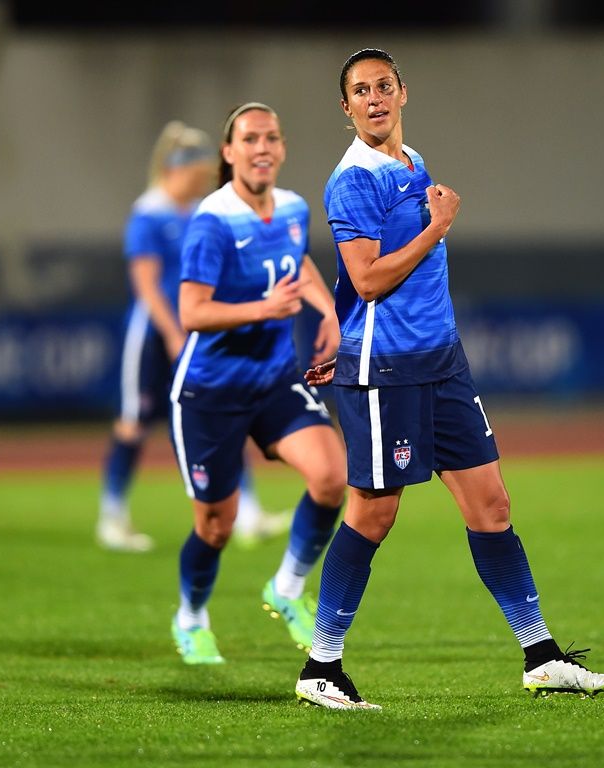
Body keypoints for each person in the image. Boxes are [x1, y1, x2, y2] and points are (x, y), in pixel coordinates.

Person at [293, 49, 604, 709]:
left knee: (491, 505)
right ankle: (320, 667)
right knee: (374, 513)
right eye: (360, 91)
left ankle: (541, 657)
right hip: (385, 370)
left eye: (383, 85)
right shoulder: (352, 179)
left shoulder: (412, 162)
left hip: (441, 362)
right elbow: (368, 279)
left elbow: (362, 285)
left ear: (402, 92)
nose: (374, 98)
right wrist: (438, 227)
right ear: (346, 107)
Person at [168, 102, 347, 663]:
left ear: (283, 148)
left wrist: (328, 311)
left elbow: (298, 262)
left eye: (271, 137)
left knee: (331, 477)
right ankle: (191, 617)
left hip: (272, 379)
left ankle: (286, 589)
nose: (262, 147)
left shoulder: (292, 208)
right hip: (210, 392)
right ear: (229, 152)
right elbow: (192, 312)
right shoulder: (213, 221)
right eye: (249, 139)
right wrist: (263, 309)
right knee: (216, 527)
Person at [97, 121, 288, 552]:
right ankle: (112, 516)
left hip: (196, 331)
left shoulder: (203, 211)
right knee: (133, 422)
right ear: (174, 169)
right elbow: (146, 286)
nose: (203, 180)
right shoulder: (149, 213)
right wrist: (171, 333)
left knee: (224, 413)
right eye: (196, 172)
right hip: (152, 334)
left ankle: (247, 513)